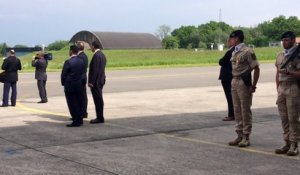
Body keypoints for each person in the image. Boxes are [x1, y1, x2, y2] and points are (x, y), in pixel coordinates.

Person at [228, 30, 260, 147]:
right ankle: (239, 135)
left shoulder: (248, 51)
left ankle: (246, 136)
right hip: (234, 81)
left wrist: (253, 85)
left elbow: (256, 68)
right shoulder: (234, 52)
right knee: (237, 110)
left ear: (236, 39)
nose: (230, 41)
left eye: (231, 38)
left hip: (243, 82)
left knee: (245, 110)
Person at [274, 31, 300, 156]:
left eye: (287, 40)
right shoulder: (280, 55)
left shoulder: (298, 55)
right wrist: (277, 87)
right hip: (282, 89)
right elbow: (277, 73)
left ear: (293, 40)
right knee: (284, 118)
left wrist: (289, 73)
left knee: (293, 118)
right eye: (283, 40)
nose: (284, 42)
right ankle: (287, 143)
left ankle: (294, 144)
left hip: (293, 88)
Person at [61, 45, 85, 127]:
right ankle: (80, 119)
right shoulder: (81, 61)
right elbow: (83, 74)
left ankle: (75, 121)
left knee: (72, 104)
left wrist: (64, 83)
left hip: (70, 85)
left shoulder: (68, 62)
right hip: (79, 85)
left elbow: (63, 75)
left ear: (71, 51)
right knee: (79, 103)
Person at [88, 41, 106, 124]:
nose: (90, 48)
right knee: (99, 99)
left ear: (93, 46)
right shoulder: (102, 55)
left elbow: (94, 70)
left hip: (96, 82)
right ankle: (100, 116)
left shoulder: (96, 56)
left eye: (91, 46)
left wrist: (91, 81)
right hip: (101, 80)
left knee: (98, 100)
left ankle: (100, 117)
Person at [219, 40, 235, 121]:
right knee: (232, 97)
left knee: (229, 97)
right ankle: (234, 114)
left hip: (227, 77)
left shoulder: (230, 51)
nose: (228, 43)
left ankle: (231, 115)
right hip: (230, 76)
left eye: (229, 41)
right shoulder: (234, 51)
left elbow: (221, 62)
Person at [76, 41, 89, 118]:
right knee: (83, 96)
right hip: (83, 77)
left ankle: (81, 113)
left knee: (80, 97)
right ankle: (83, 112)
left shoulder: (79, 57)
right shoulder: (85, 56)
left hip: (79, 78)